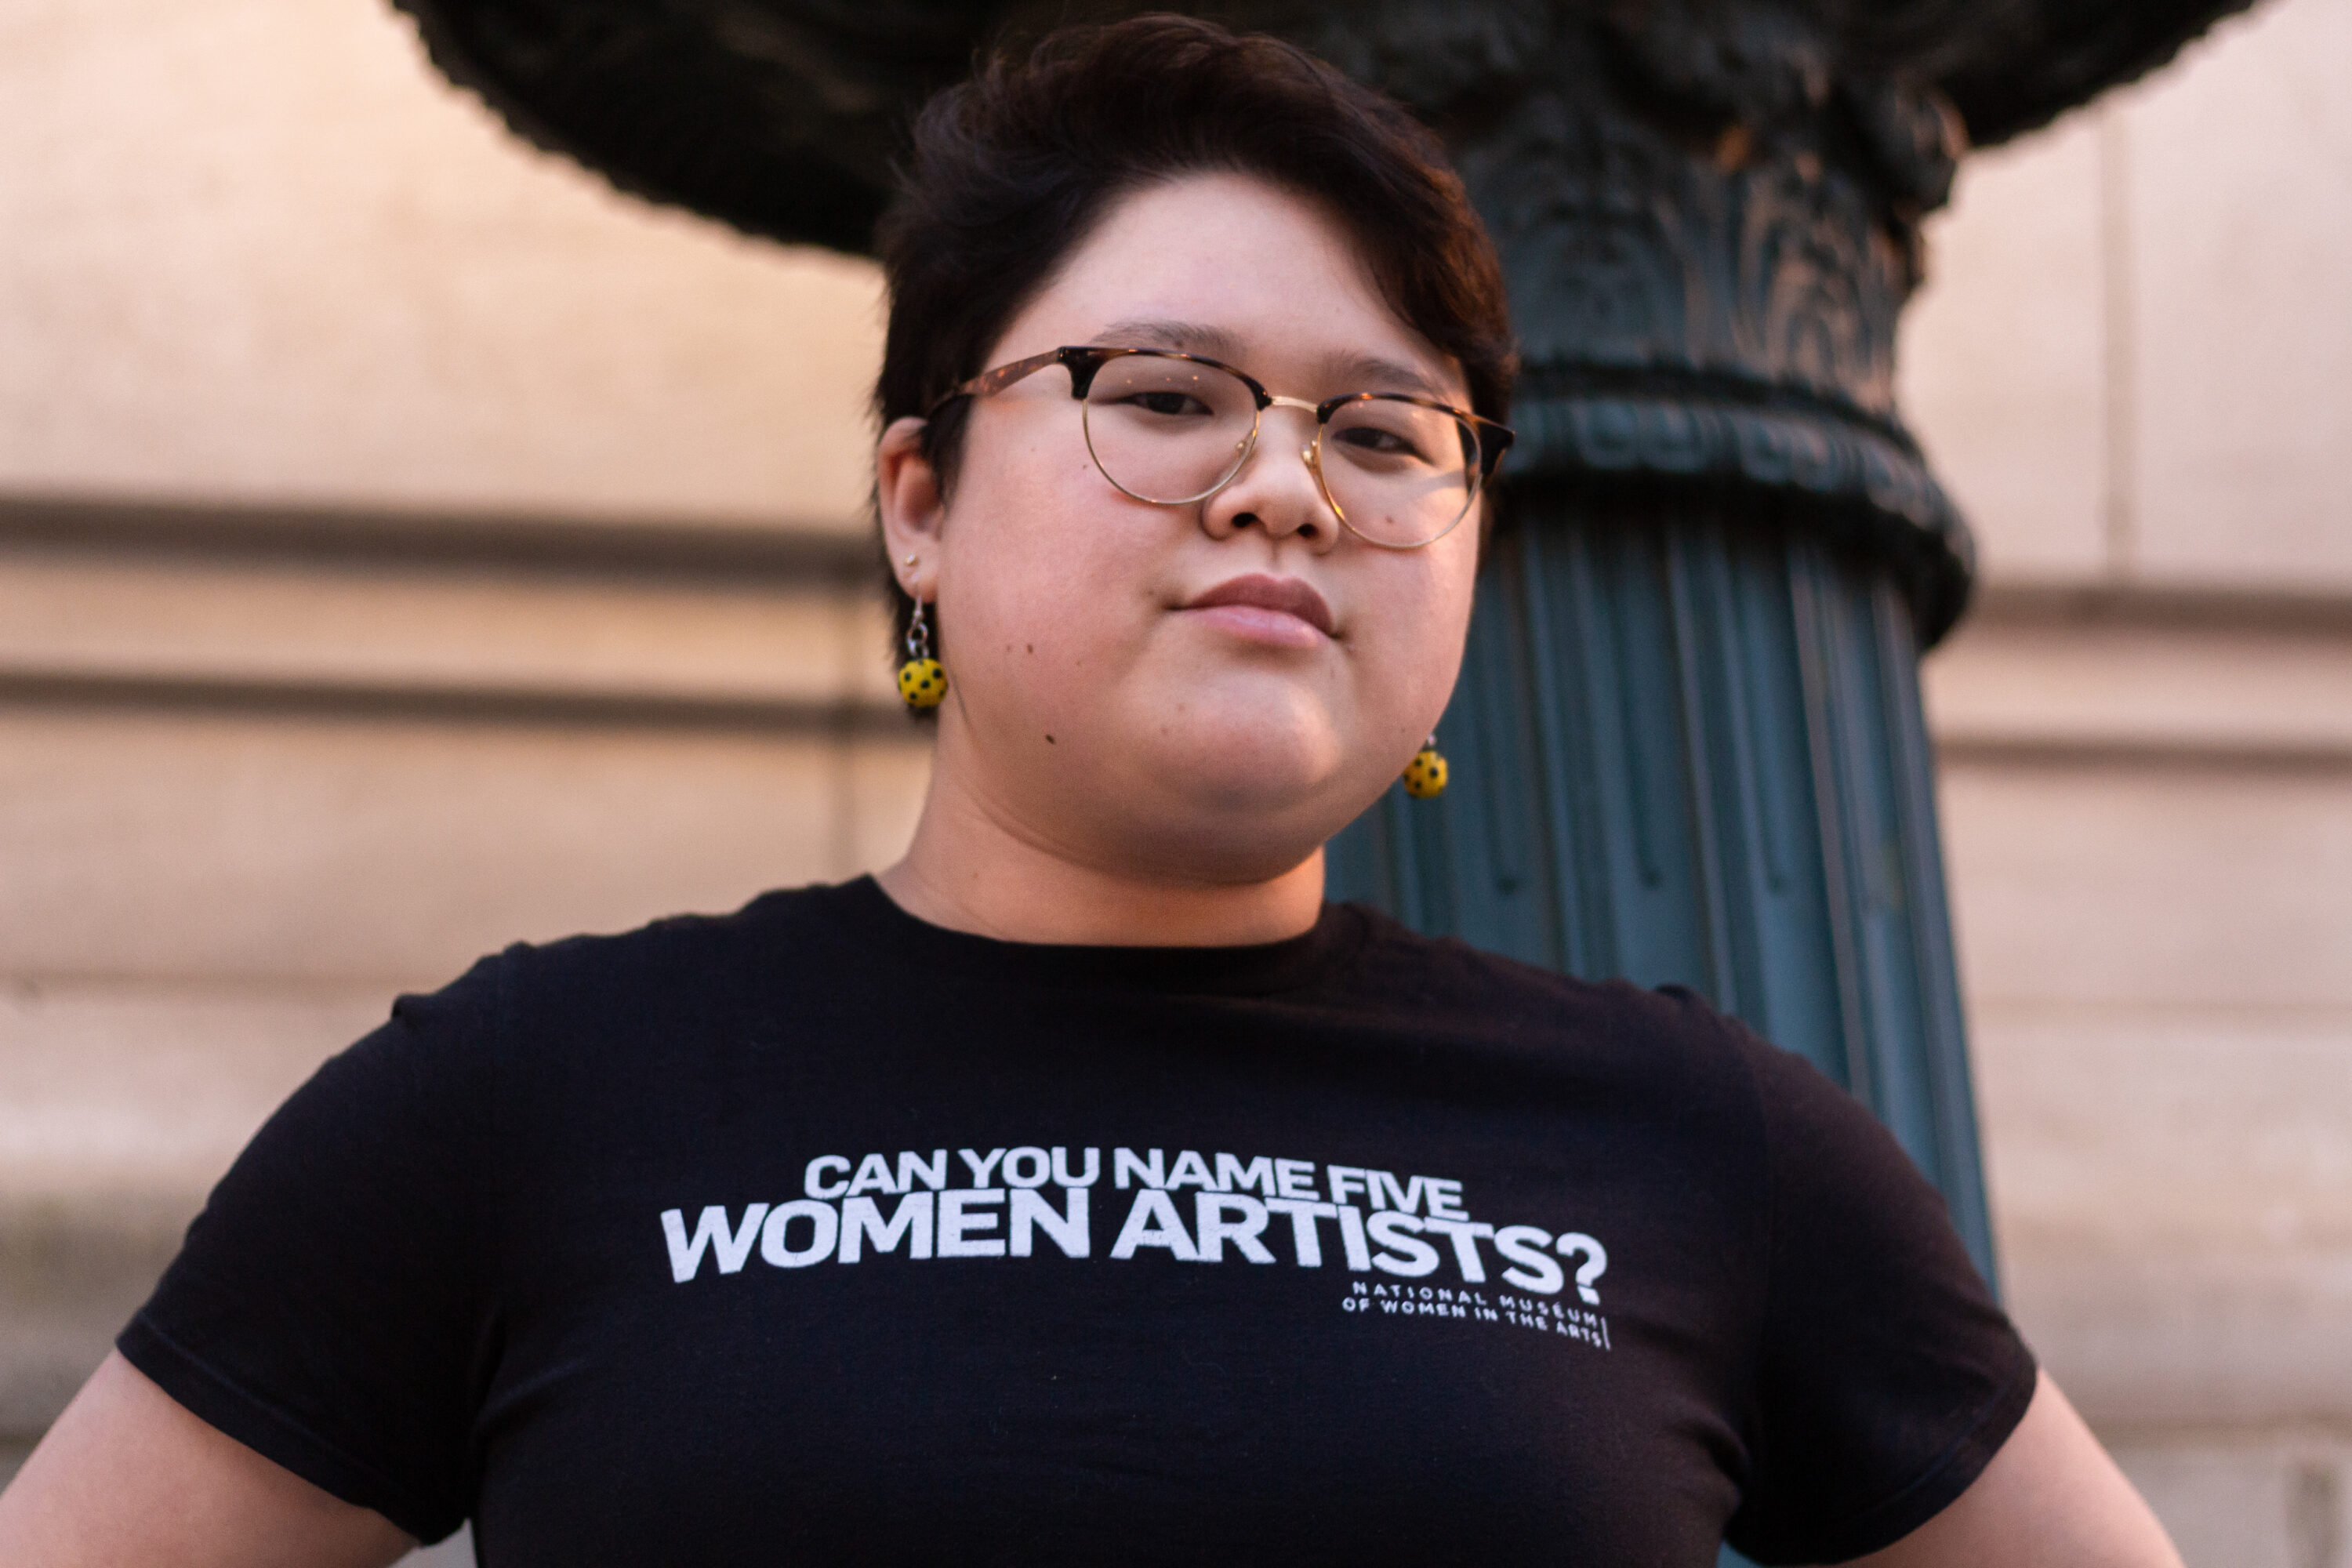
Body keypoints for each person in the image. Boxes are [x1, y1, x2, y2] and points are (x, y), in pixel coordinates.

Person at [0, 16, 2181, 1567]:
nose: (1279, 485)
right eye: (1163, 392)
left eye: (1385, 433)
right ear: (920, 499)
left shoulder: (1708, 1140)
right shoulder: (532, 1091)